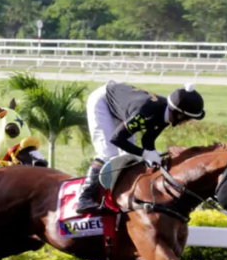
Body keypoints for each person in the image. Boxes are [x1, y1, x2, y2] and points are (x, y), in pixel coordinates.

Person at [75, 81, 206, 214]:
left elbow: (147, 140)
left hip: (124, 106)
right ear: (179, 115)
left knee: (127, 157)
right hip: (103, 102)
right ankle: (85, 197)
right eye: (188, 118)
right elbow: (116, 138)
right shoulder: (147, 112)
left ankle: (115, 198)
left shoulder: (165, 114)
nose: (187, 122)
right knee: (108, 152)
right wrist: (144, 153)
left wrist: (153, 154)